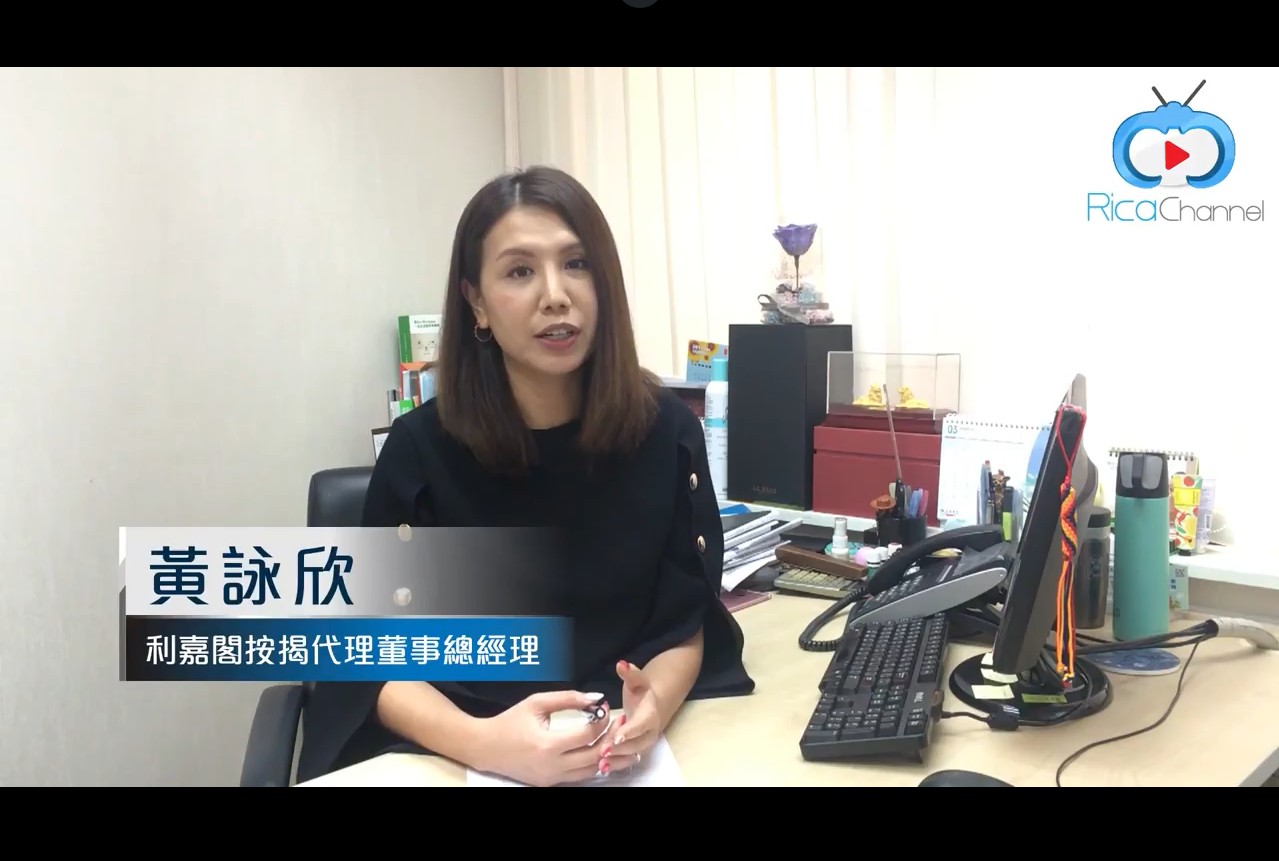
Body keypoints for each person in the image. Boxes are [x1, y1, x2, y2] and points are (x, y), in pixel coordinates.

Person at [297, 165, 755, 787]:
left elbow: (685, 621)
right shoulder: (420, 451)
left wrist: (651, 710)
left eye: (577, 264)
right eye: (519, 271)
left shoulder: (666, 431)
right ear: (476, 302)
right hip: (457, 746)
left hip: (618, 747)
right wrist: (486, 744)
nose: (555, 295)